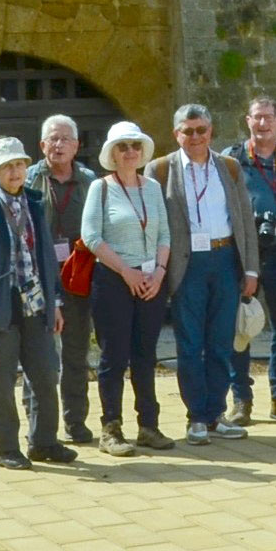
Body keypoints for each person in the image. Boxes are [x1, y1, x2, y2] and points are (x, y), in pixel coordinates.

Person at [0, 137, 79, 470]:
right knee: (3, 379)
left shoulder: (34, 203)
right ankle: (6, 448)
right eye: (8, 166)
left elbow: (46, 260)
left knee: (44, 373)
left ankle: (44, 442)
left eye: (20, 165)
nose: (15, 172)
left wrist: (54, 303)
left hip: (36, 302)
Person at [152, 103, 260, 445]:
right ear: (176, 134)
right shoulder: (161, 170)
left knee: (220, 343)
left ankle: (215, 414)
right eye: (188, 131)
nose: (195, 137)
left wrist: (250, 269)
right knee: (189, 344)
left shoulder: (228, 167)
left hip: (225, 258)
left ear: (211, 131)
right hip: (187, 265)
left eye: (201, 130)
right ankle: (195, 417)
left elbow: (245, 220)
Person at [80, 121, 175, 456]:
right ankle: (111, 429)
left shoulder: (151, 187)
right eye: (123, 147)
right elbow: (92, 236)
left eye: (135, 146)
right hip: (114, 281)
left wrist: (159, 272)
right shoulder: (100, 188)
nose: (130, 152)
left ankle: (149, 426)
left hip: (151, 281)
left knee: (146, 356)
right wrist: (126, 271)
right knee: (114, 357)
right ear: (112, 153)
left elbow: (164, 234)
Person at [223, 95, 276, 424]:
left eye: (268, 118)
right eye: (257, 118)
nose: (262, 124)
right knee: (240, 329)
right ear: (248, 121)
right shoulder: (231, 160)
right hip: (244, 254)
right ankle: (241, 399)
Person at [28, 114, 98, 444]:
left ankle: (75, 421)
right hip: (38, 278)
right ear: (42, 145)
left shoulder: (89, 181)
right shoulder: (27, 180)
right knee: (38, 354)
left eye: (65, 139)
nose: (58, 145)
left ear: (77, 146)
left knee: (75, 352)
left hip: (76, 277)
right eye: (52, 139)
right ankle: (38, 423)